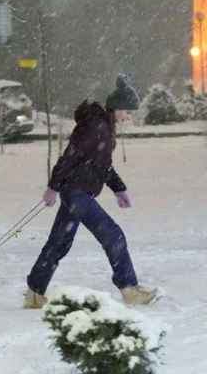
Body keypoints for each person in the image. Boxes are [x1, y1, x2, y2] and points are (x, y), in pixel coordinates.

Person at [24, 100, 157, 308]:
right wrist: (53, 187)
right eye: (126, 110)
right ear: (116, 108)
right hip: (77, 193)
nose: (128, 115)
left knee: (59, 242)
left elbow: (102, 166)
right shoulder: (96, 127)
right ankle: (129, 288)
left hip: (77, 191)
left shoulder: (103, 127)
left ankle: (35, 292)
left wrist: (118, 188)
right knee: (113, 235)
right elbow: (69, 157)